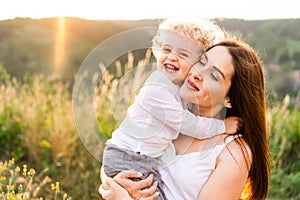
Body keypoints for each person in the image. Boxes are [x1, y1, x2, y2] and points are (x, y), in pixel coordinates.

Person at [99, 39, 270, 200]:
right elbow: (122, 150)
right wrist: (112, 181)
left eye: (214, 76)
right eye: (202, 62)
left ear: (229, 99)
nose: (198, 74)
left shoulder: (234, 151)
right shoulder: (170, 115)